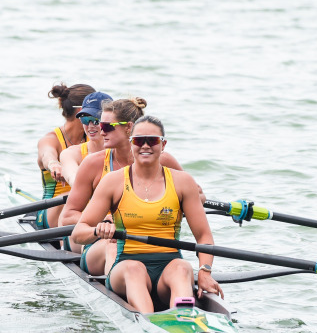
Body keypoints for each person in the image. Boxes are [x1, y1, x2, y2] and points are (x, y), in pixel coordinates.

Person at [70, 116, 222, 314]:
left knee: (183, 267)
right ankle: (148, 321)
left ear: (163, 144)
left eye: (152, 140)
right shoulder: (113, 182)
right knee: (135, 270)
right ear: (131, 143)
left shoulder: (183, 182)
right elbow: (78, 233)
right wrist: (98, 231)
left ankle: (184, 317)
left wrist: (205, 271)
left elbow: (203, 236)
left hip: (168, 265)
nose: (145, 146)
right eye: (139, 140)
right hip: (125, 266)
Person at [59, 98, 184, 276]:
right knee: (113, 246)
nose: (101, 131)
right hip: (102, 242)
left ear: (128, 128)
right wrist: (103, 223)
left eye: (106, 126)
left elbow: (197, 196)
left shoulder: (163, 160)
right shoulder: (93, 164)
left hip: (145, 243)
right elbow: (67, 217)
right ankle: (115, 287)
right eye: (101, 125)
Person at [35, 83, 95, 228]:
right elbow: (47, 155)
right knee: (70, 197)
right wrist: (54, 165)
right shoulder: (51, 139)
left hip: (86, 206)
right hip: (51, 210)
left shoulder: (95, 139)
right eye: (98, 109)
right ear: (82, 111)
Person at [59, 91, 112, 187]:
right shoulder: (70, 154)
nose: (90, 126)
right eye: (85, 120)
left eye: (96, 120)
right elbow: (73, 179)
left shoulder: (125, 151)